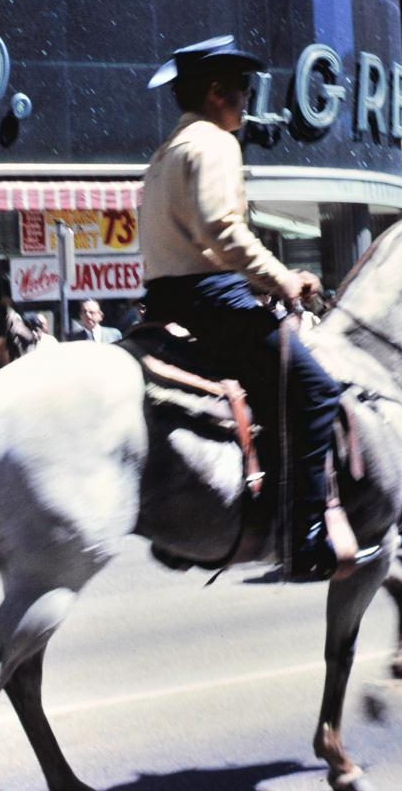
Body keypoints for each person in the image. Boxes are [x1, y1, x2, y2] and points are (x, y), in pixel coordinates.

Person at [139, 34, 340, 580]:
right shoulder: (214, 144)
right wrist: (282, 279)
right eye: (243, 91)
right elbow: (222, 229)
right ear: (215, 92)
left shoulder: (162, 157)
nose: (248, 101)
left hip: (163, 302)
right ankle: (306, 539)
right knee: (317, 394)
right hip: (213, 301)